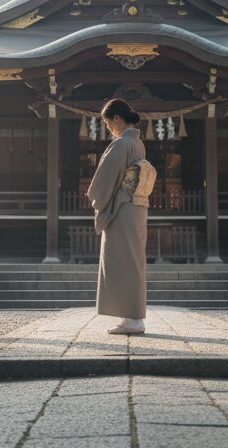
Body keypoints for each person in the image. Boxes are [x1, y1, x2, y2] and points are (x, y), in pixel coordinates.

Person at [86, 98, 148, 334]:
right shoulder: (137, 144)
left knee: (122, 261)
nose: (108, 128)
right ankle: (132, 316)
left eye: (107, 123)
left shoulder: (121, 144)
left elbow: (105, 180)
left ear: (117, 118)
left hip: (122, 208)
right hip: (136, 207)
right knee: (131, 261)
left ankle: (131, 319)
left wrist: (96, 198)